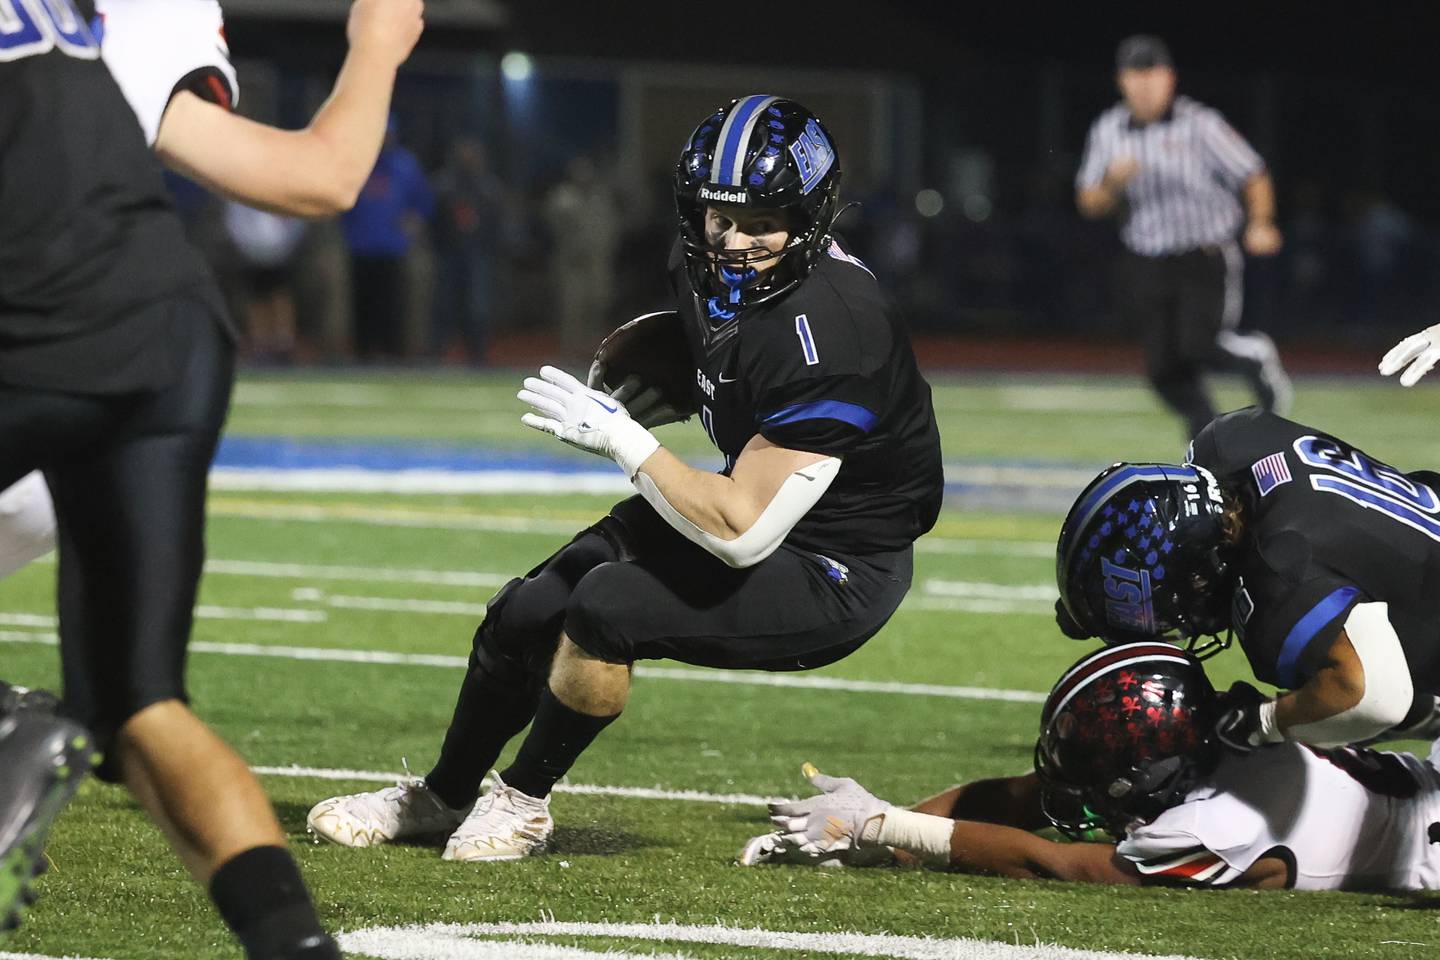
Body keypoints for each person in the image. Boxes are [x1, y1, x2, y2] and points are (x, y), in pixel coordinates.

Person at [306, 95, 945, 863]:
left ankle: (523, 801)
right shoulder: (700, 261)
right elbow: (727, 359)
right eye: (718, 218)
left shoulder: (835, 328)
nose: (732, 242)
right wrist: (687, 378)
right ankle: (442, 796)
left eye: (759, 224)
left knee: (608, 605)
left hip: (835, 564)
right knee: (528, 606)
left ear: (810, 221)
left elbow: (744, 532)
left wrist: (623, 438)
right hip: (763, 503)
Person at [0, 0, 423, 953]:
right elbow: (319, 174)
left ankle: (7, 737)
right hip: (169, 336)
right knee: (144, 709)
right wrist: (377, 45)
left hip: (33, 348)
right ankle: (294, 944)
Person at [741, 642, 1440, 891]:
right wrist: (886, 831)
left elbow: (1058, 863)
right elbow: (1023, 798)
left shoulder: (1222, 823)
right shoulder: (1218, 737)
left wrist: (882, 828)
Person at [1054, 406, 1440, 756]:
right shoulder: (1232, 441)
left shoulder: (1279, 572)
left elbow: (1374, 700)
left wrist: (1261, 723)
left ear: (1197, 570)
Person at [1076, 34, 1290, 439]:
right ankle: (1209, 433)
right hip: (1146, 258)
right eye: (1135, 75)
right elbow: (1089, 202)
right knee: (1161, 368)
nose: (1143, 85)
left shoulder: (1200, 124)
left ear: (1169, 78)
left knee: (1199, 346)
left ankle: (1256, 355)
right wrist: (1110, 183)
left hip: (1203, 254)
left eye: (1151, 74)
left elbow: (1252, 173)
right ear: (1121, 81)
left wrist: (1261, 222)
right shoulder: (1108, 130)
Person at [341, 119, 435, 361]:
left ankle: (393, 350)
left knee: (393, 302)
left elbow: (423, 202)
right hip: (361, 245)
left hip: (393, 247)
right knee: (363, 302)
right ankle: (365, 351)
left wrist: (413, 222)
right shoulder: (358, 163)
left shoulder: (405, 165)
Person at [431, 136, 506, 364]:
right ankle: (440, 350)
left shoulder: (489, 187)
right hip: (450, 252)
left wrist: (491, 248)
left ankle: (478, 352)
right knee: (445, 302)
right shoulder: (444, 184)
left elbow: (497, 222)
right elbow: (434, 219)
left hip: (478, 253)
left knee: (477, 305)